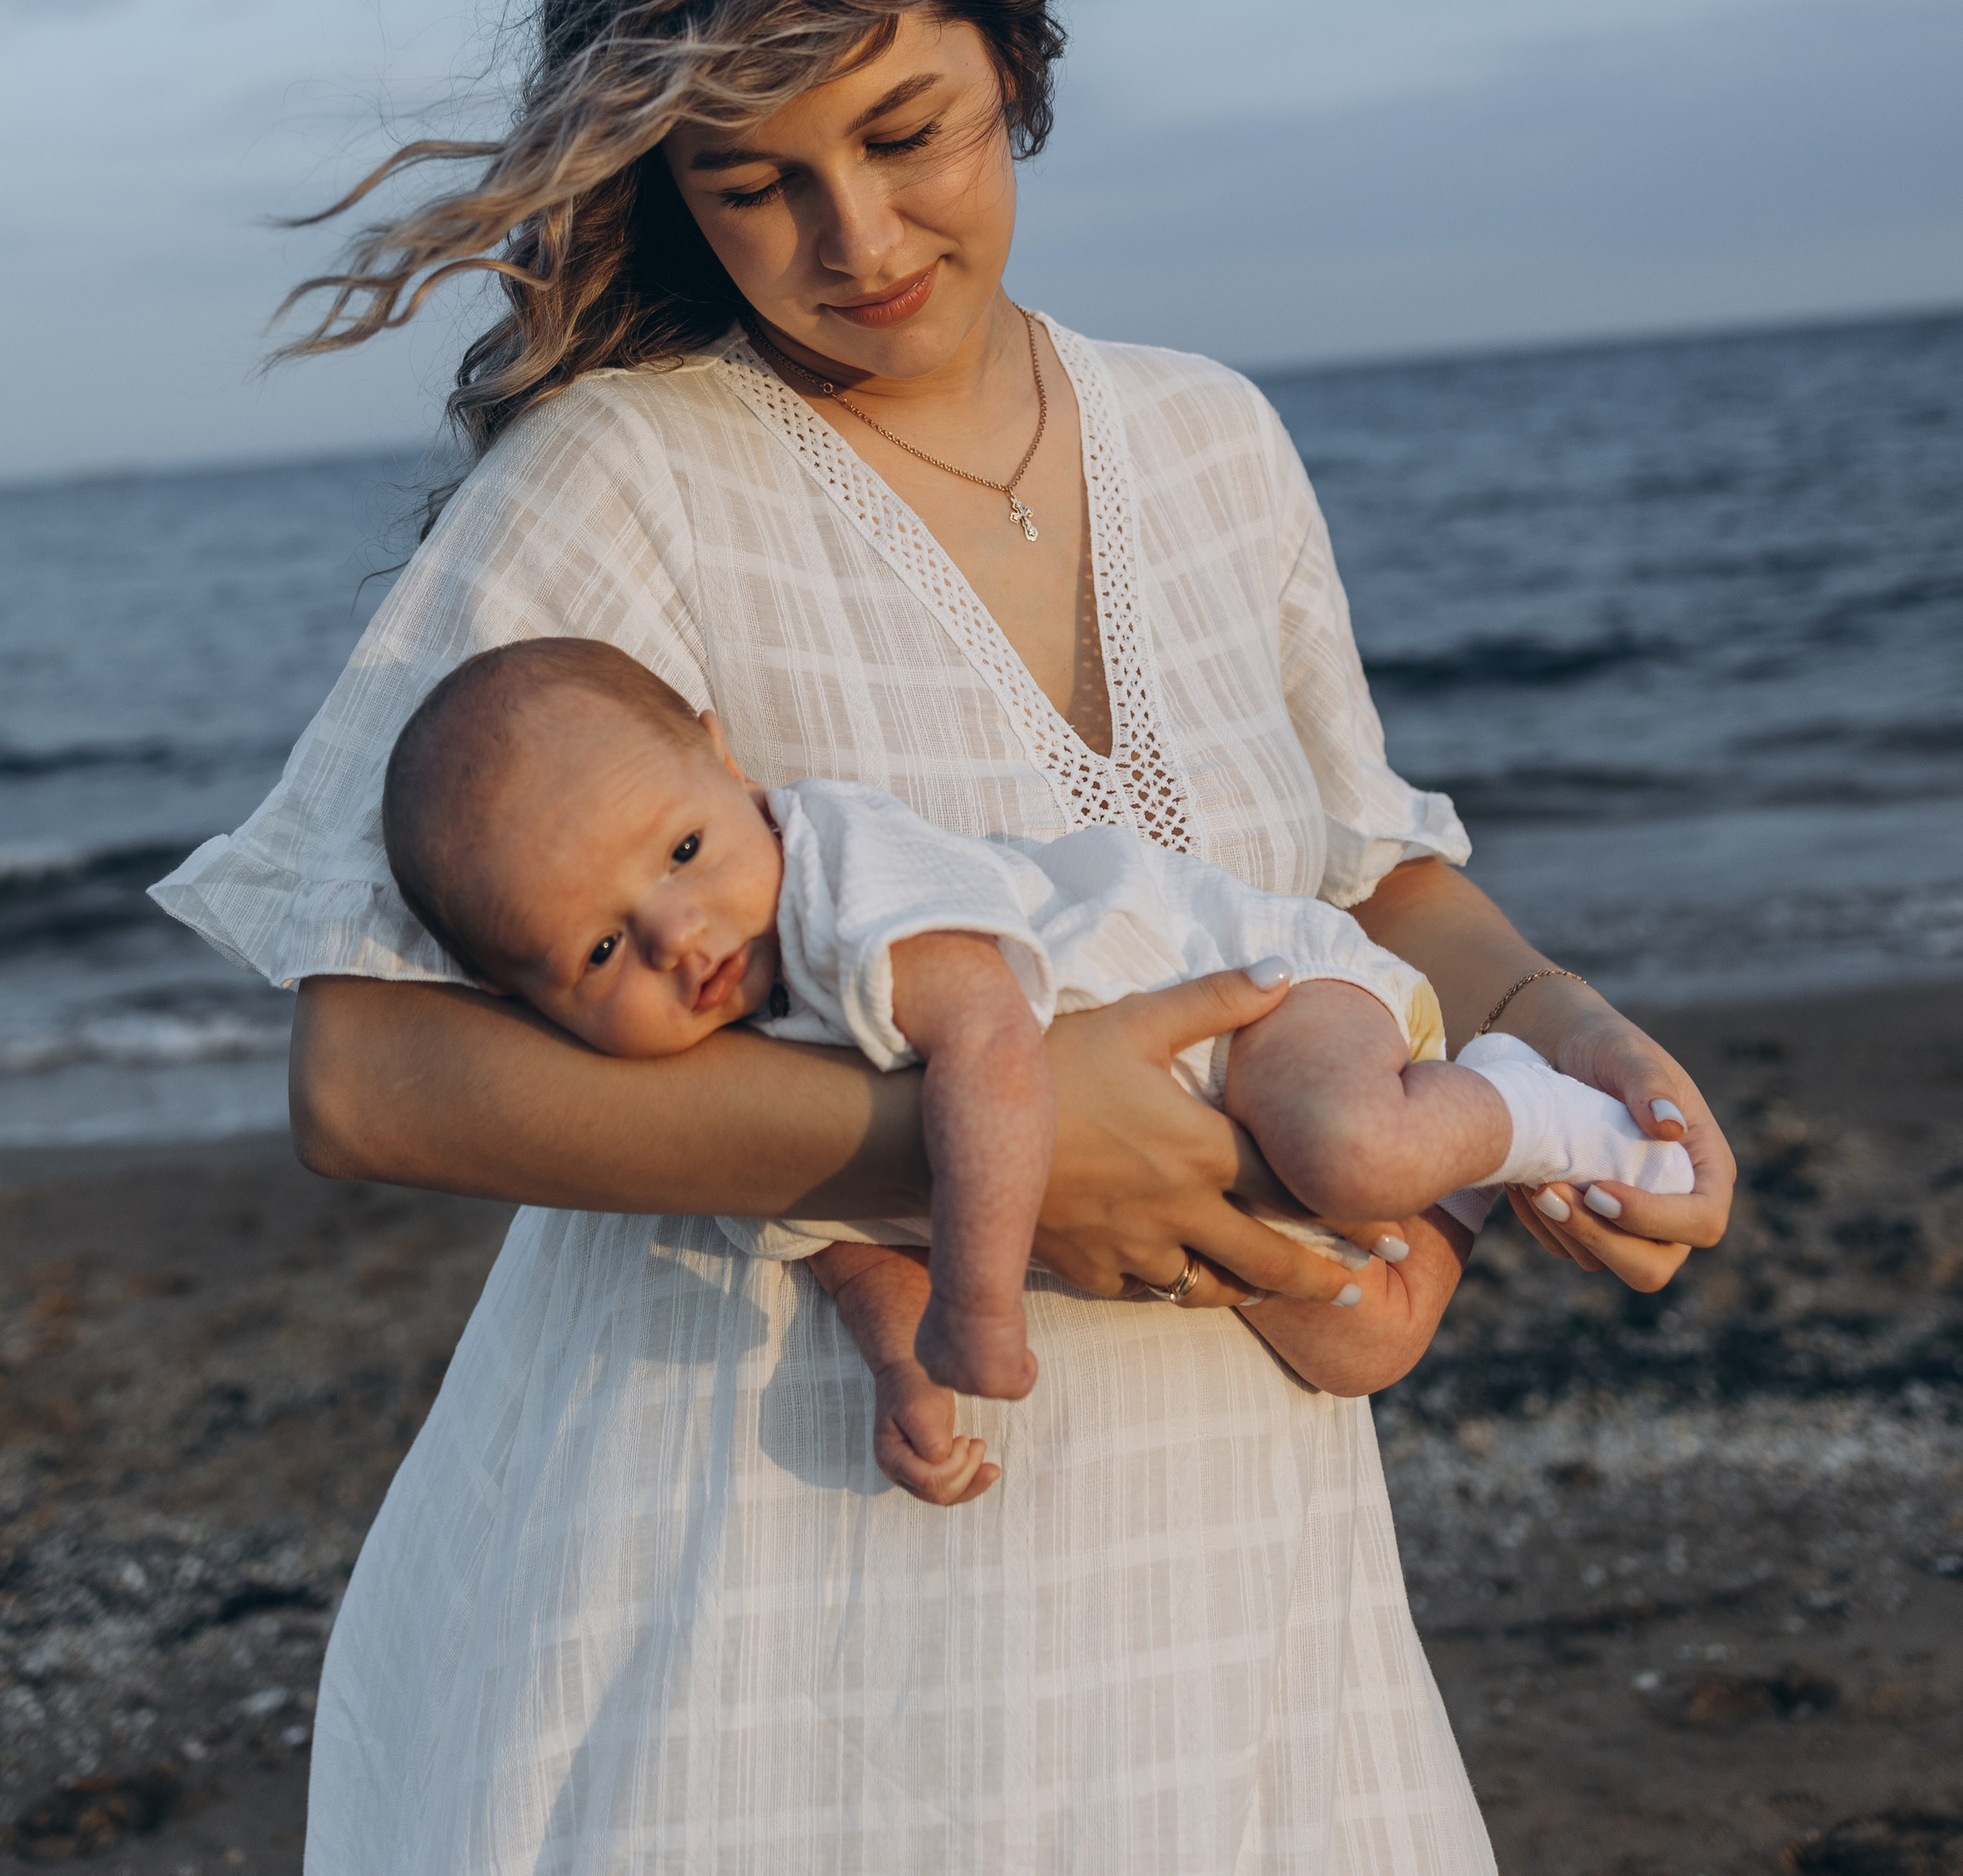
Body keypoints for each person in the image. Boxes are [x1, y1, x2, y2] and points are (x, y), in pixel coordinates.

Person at [153, 0, 1735, 1874]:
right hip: (768, 1597)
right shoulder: (620, 475)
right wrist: (966, 1150)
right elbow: (370, 1076)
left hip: (1225, 1576)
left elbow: (1363, 879)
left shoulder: (1211, 437)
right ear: (668, 188)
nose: (859, 239)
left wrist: (1577, 1042)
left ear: (1010, 48)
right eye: (752, 180)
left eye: (908, 132)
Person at [380, 633, 1694, 1506]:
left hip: (1255, 1000)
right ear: (529, 1003)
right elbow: (848, 1245)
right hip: (1196, 1130)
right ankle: (1463, 1172)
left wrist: (981, 1307)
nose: (683, 937)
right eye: (603, 947)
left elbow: (1000, 1054)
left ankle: (1523, 1104)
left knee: (1350, 1150)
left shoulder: (846, 883)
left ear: (728, 766)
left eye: (681, 852)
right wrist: (911, 1372)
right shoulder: (716, 1093)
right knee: (1365, 1347)